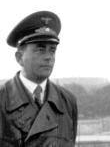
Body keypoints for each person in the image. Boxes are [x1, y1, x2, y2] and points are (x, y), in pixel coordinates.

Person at [0, 11, 78, 147]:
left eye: (52, 50)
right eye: (40, 50)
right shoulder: (2, 99)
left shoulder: (67, 101)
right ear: (19, 57)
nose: (48, 57)